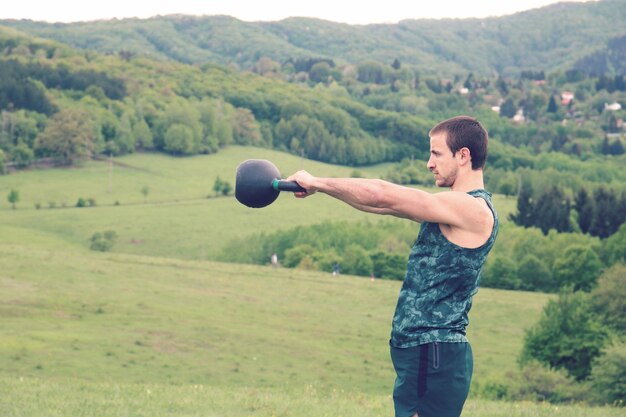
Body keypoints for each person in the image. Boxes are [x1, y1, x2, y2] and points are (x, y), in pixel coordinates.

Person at [286, 115, 499, 417]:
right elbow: (379, 204)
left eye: (436, 153)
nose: (429, 163)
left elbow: (382, 193)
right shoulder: (452, 210)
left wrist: (317, 181)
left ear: (463, 155)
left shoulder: (471, 208)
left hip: (433, 353)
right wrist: (323, 191)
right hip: (425, 353)